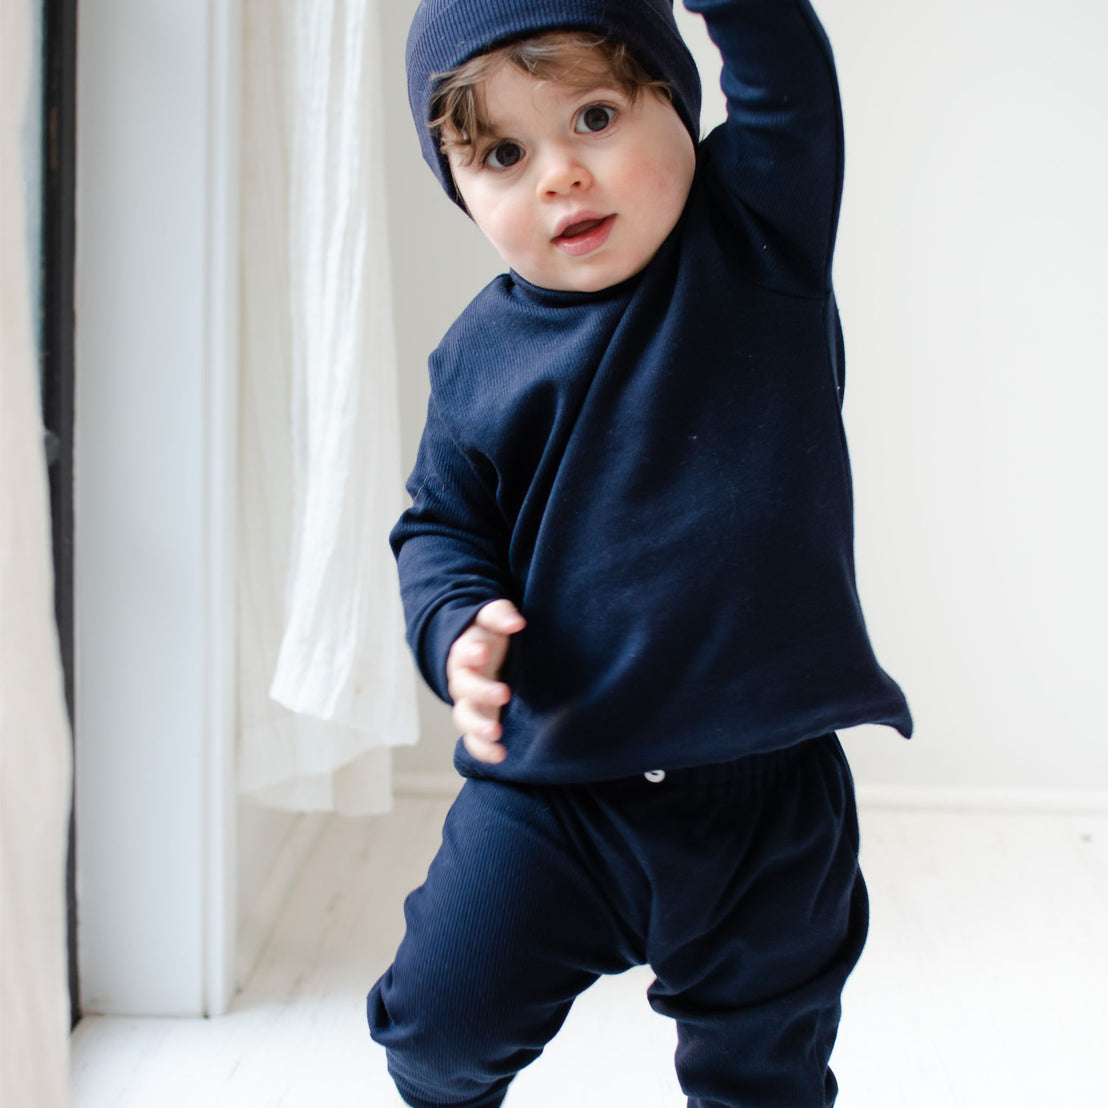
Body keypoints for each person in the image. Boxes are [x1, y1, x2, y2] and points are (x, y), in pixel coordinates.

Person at [368, 1, 912, 1105]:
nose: (560, 175)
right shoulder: (474, 359)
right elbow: (438, 525)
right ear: (460, 186)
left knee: (762, 1072)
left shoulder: (755, 238)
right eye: (505, 154)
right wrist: (456, 627)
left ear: (676, 102)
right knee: (436, 1030)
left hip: (763, 799)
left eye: (598, 115)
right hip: (557, 789)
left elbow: (784, 69)